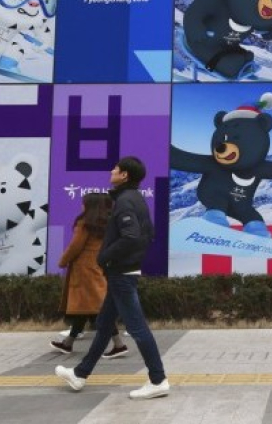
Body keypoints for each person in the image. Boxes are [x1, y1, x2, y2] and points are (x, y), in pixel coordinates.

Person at [55, 156, 170, 399]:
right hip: (123, 270)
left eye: (116, 168)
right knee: (105, 326)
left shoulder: (126, 201)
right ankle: (80, 374)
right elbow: (149, 233)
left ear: (125, 175)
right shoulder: (134, 198)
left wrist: (104, 257)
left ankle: (158, 379)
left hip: (121, 273)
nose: (112, 170)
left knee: (138, 329)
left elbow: (132, 235)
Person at [50, 193, 128, 358]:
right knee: (85, 308)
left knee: (95, 309)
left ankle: (119, 344)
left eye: (83, 203)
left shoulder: (84, 223)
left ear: (90, 206)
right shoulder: (107, 224)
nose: (81, 206)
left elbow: (75, 246)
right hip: (96, 267)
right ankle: (68, 343)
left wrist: (63, 261)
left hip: (84, 270)